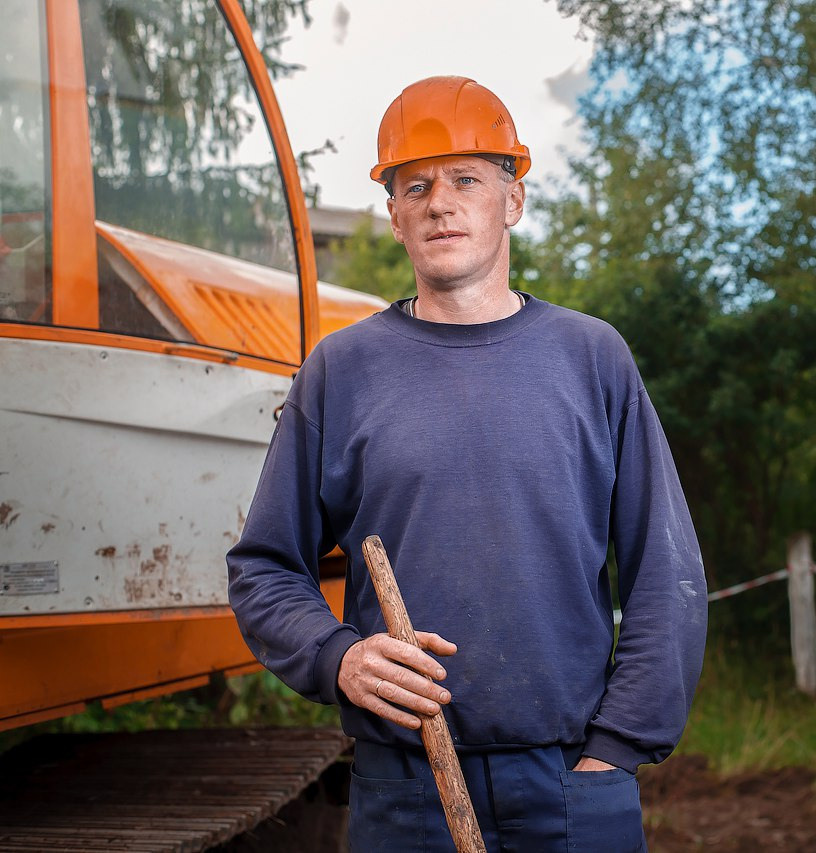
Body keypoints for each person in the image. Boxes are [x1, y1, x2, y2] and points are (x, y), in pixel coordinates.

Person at [226, 76, 707, 852]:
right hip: (404, 788)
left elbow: (666, 571)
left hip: (572, 787)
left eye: (465, 179)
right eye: (414, 185)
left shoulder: (592, 358)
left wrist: (614, 751)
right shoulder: (341, 370)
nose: (439, 202)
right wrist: (336, 656)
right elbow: (265, 567)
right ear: (393, 214)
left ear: (511, 200)